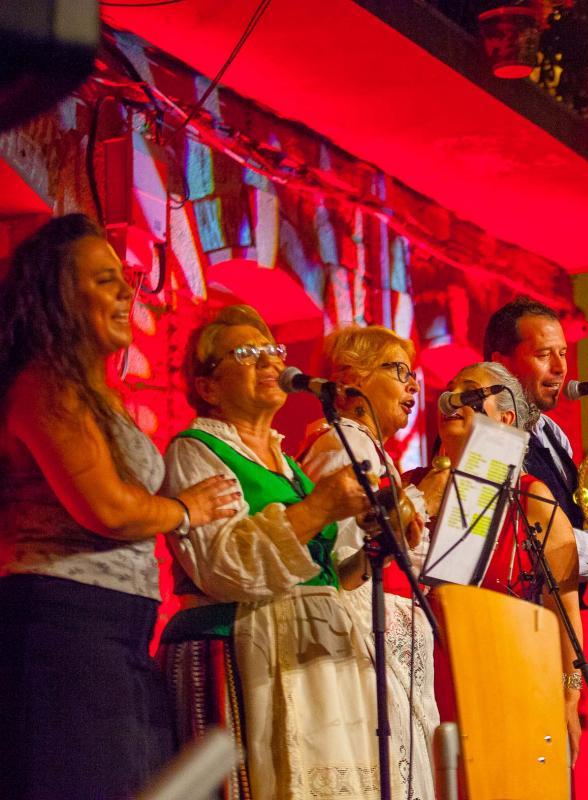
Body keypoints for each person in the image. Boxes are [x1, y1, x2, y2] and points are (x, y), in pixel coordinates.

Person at [0, 215, 239, 799]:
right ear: (58, 294)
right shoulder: (44, 387)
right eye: (105, 280)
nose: (123, 295)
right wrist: (185, 510)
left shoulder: (92, 391)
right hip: (63, 623)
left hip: (116, 628)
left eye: (122, 280)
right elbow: (106, 508)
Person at [158, 304, 377, 800]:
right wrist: (317, 509)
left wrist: (376, 552)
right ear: (208, 386)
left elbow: (327, 578)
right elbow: (221, 567)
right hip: (238, 656)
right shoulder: (195, 451)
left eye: (273, 351)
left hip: (311, 667)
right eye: (248, 353)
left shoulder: (290, 469)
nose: (270, 362)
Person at [407, 361, 585, 764]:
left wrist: (569, 696)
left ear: (505, 418)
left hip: (510, 682)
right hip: (426, 690)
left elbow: (567, 615)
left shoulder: (533, 499)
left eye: (469, 393)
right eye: (448, 392)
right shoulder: (410, 490)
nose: (452, 401)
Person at [298, 325, 437, 799]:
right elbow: (338, 565)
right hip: (360, 637)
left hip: (385, 641)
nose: (413, 385)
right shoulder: (346, 446)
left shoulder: (368, 448)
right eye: (400, 371)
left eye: (413, 374)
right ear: (352, 380)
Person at [483, 297, 588, 578]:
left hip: (559, 612)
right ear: (500, 365)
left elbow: (569, 526)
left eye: (563, 353)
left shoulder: (552, 434)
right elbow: (530, 539)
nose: (560, 367)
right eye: (543, 355)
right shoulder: (484, 438)